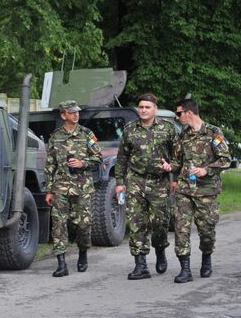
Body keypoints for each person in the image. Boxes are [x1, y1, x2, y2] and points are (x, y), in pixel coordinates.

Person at [160, 98, 231, 283]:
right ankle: (185, 269)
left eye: (178, 113)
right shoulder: (183, 135)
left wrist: (206, 170)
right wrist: (169, 167)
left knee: (206, 231)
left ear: (189, 113)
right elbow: (177, 162)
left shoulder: (213, 132)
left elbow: (225, 159)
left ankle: (206, 259)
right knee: (181, 229)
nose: (177, 117)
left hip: (206, 190)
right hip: (184, 190)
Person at [115, 93, 176, 280]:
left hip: (159, 183)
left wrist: (172, 169)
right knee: (136, 223)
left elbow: (179, 156)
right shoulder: (129, 130)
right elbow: (122, 158)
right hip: (135, 182)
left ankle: (160, 250)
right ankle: (140, 265)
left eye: (147, 107)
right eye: (140, 107)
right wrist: (119, 183)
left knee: (159, 223)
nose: (143, 110)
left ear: (155, 109)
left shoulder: (168, 129)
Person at [45, 100, 102, 277]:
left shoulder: (86, 134)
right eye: (71, 112)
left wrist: (82, 163)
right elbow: (50, 165)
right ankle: (61, 264)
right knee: (59, 225)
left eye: (77, 112)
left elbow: (99, 158)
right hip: (60, 188)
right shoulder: (55, 137)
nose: (76, 115)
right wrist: (49, 190)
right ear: (63, 115)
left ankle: (83, 253)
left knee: (84, 224)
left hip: (82, 188)